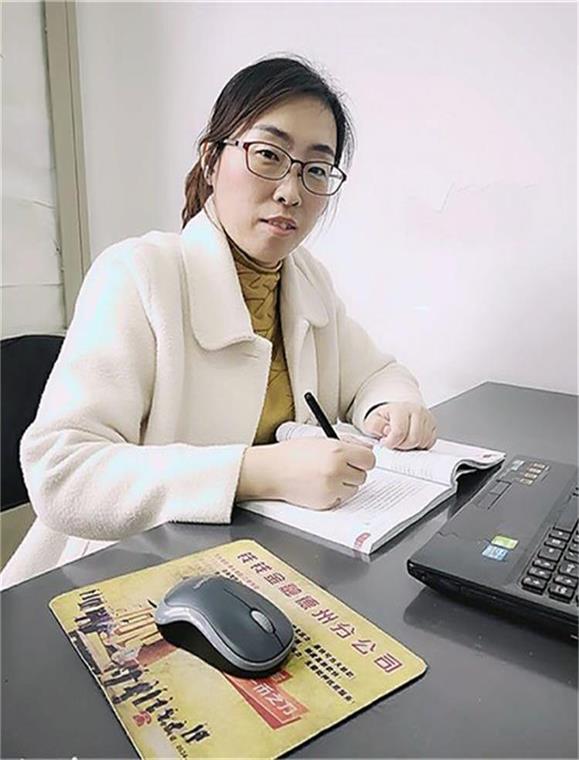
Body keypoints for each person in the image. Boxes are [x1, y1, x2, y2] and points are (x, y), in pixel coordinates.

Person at [1, 54, 437, 589]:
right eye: (268, 155)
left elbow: (374, 373)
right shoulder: (139, 273)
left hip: (254, 569)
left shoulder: (305, 279)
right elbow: (62, 473)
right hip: (115, 578)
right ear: (211, 160)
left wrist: (393, 405)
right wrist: (257, 472)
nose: (291, 191)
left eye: (316, 170)